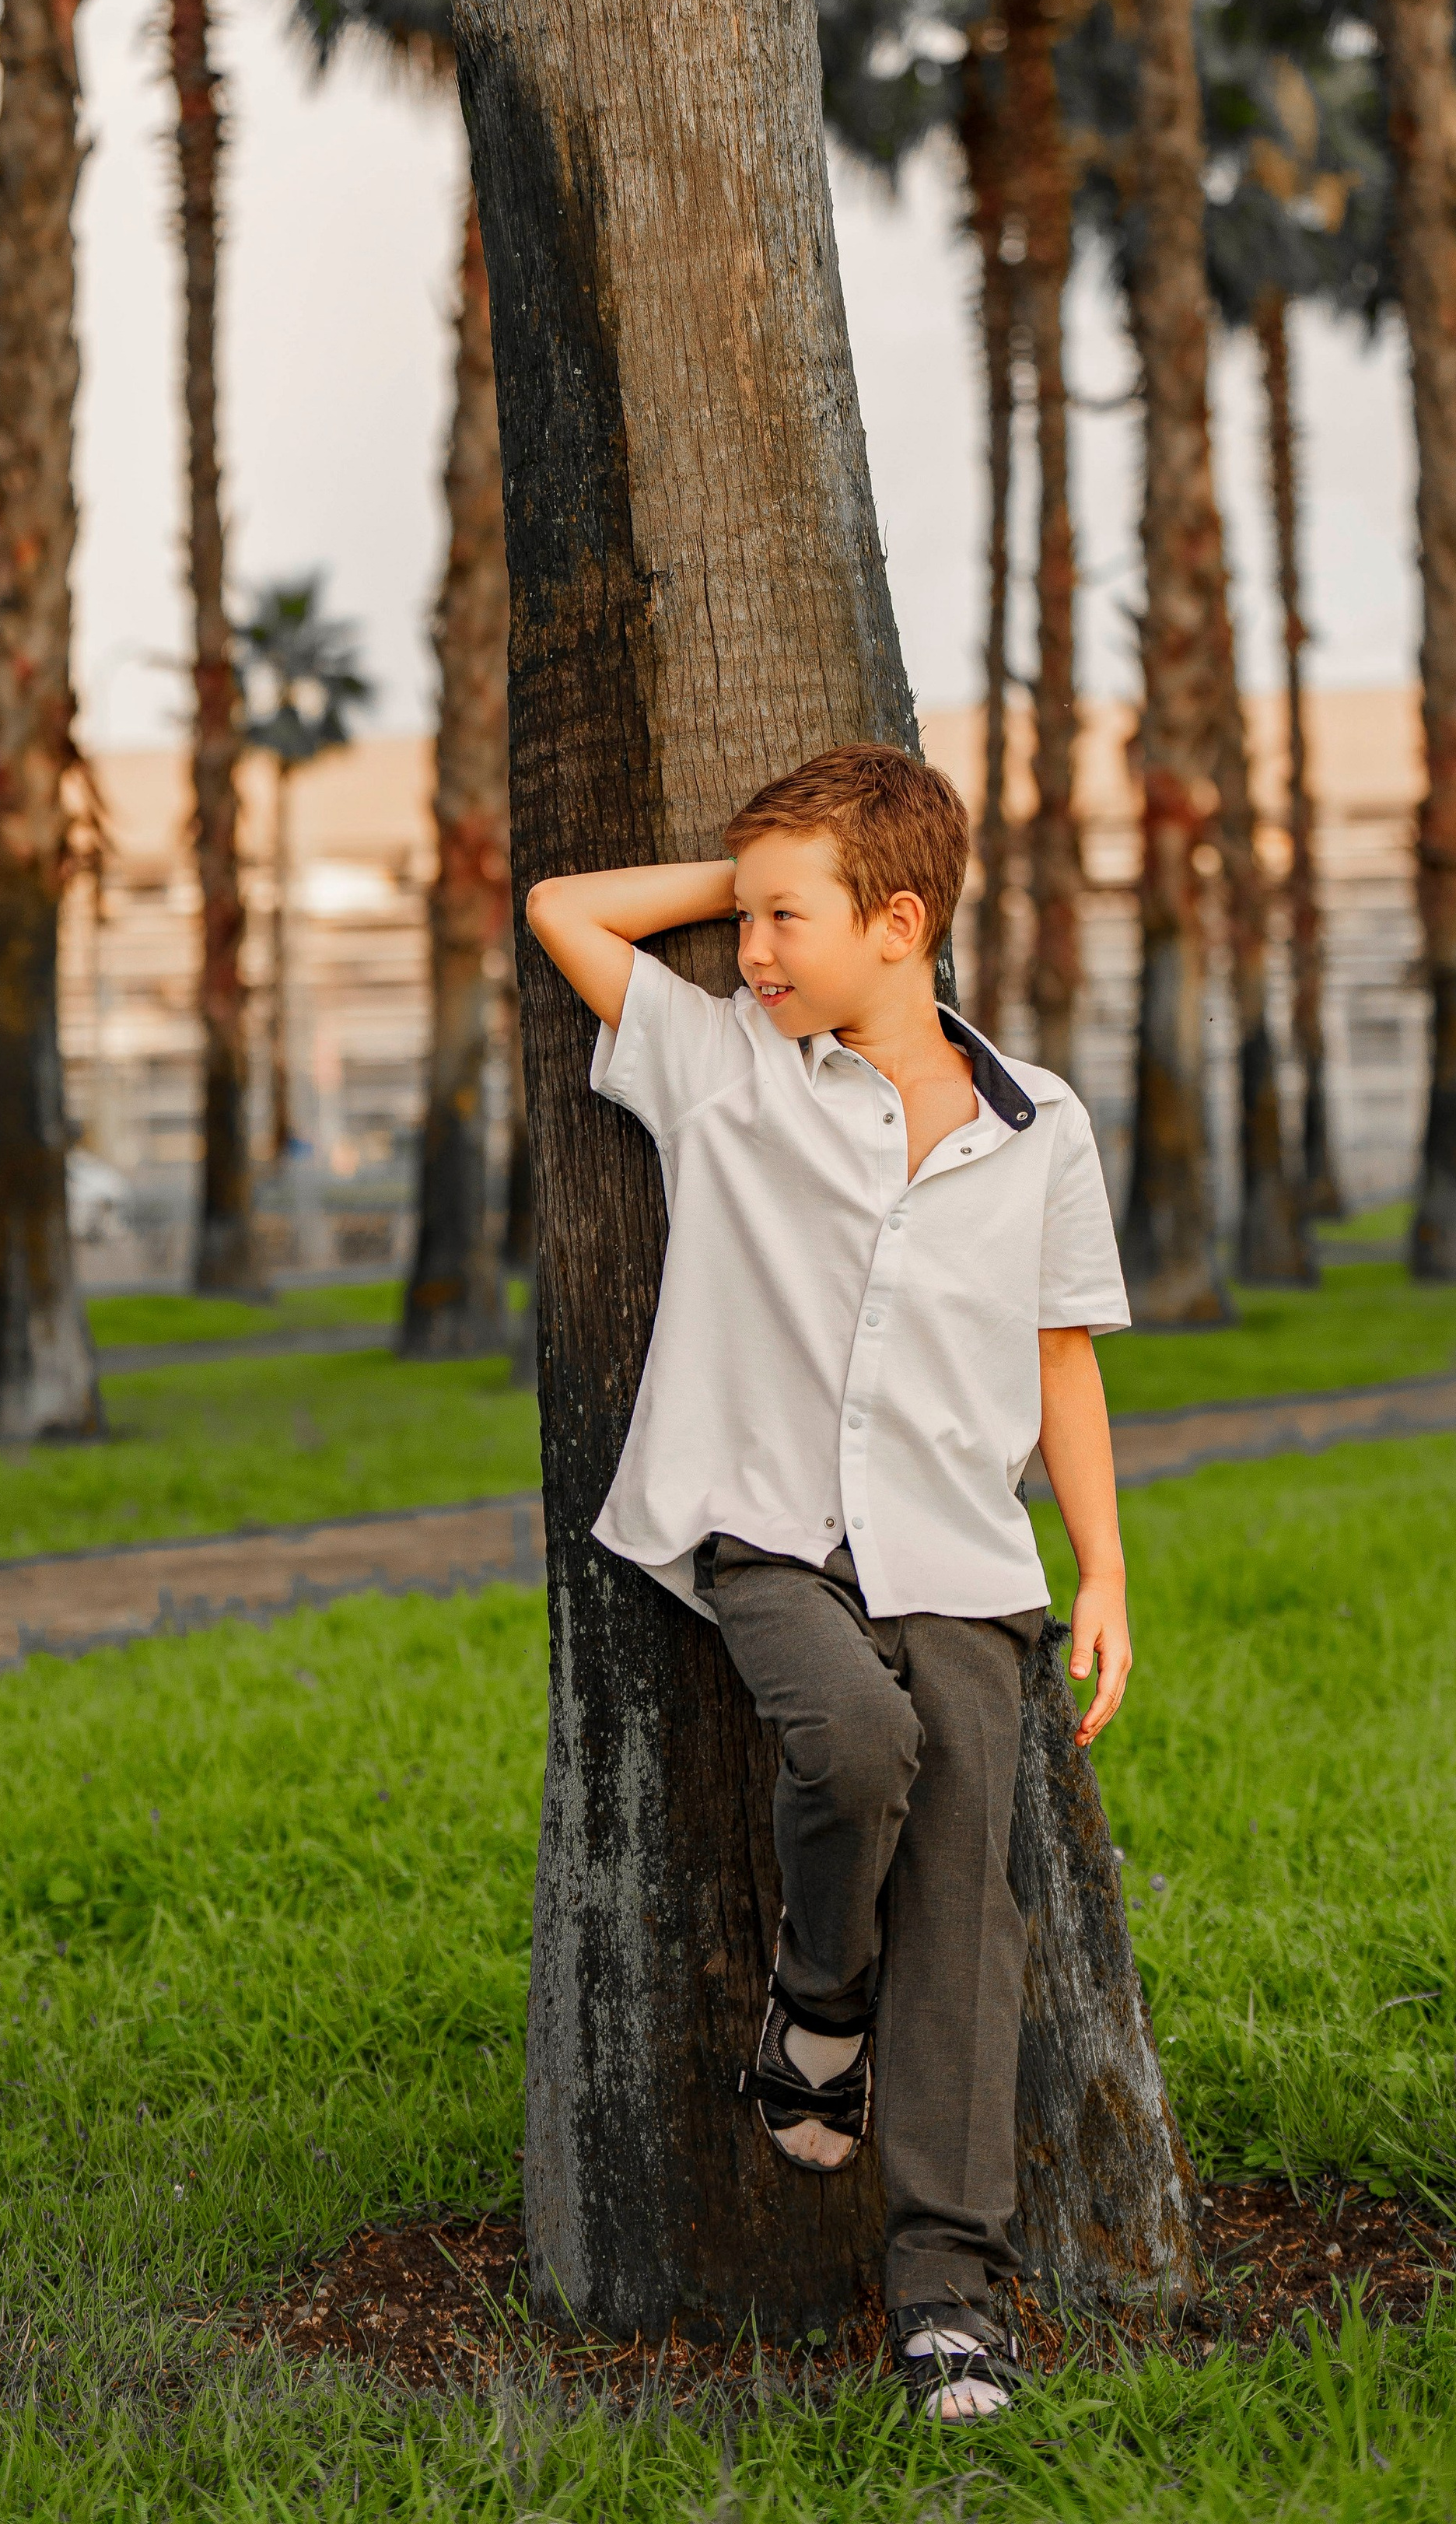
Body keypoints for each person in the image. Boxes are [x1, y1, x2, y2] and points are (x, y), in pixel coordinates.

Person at [524, 741, 1132, 2422]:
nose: (756, 951)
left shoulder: (1037, 1126)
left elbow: (1060, 1357)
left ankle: (950, 2295)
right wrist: (749, 873)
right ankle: (812, 2008)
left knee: (965, 1900)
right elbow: (561, 908)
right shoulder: (725, 1069)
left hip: (956, 1548)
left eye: (789, 919)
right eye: (748, 919)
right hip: (765, 1528)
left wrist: (1102, 1570)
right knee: (853, 1743)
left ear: (901, 920)